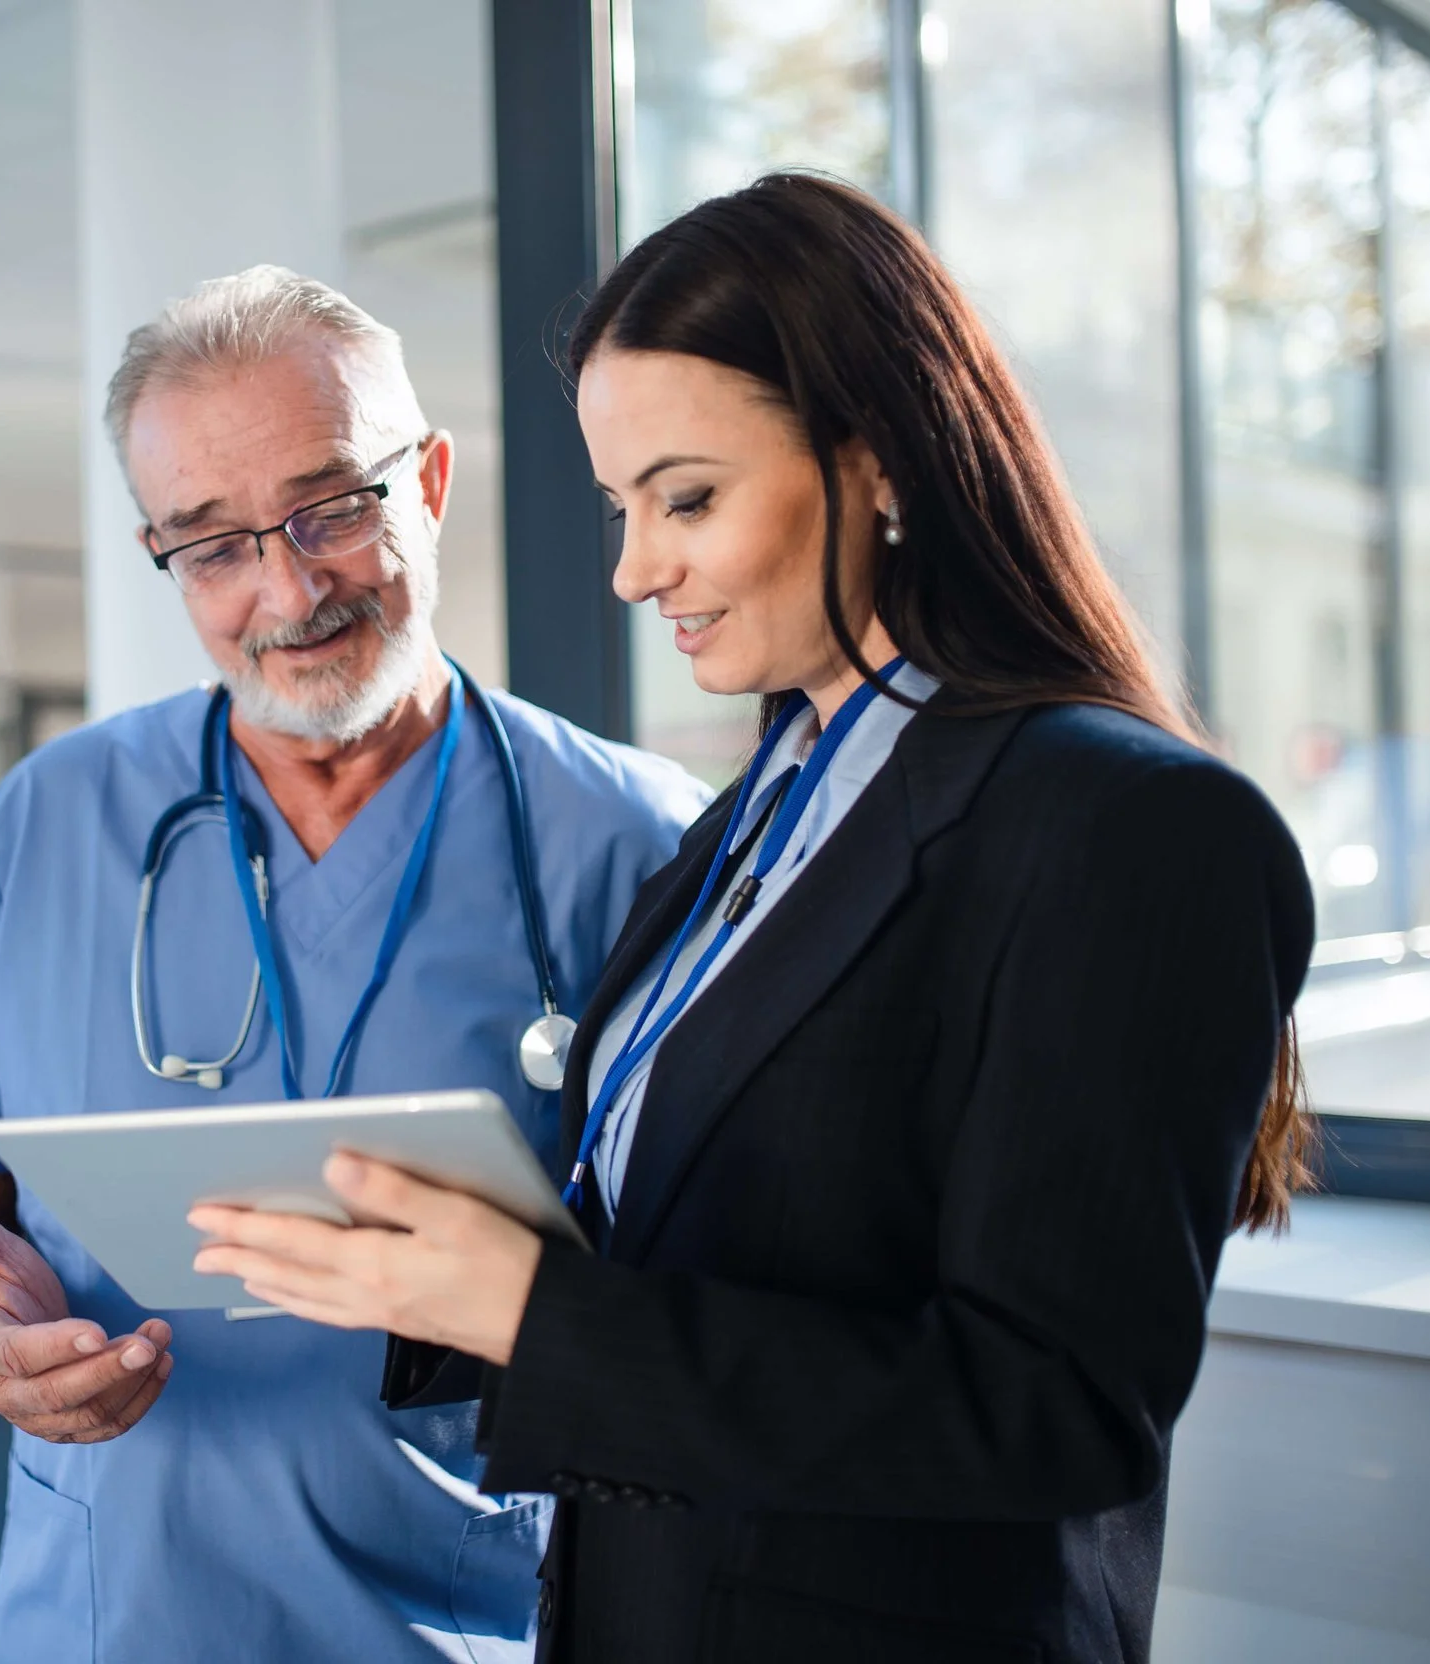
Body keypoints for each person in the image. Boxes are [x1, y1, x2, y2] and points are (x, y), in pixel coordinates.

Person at [189, 175, 1318, 1662]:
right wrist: (456, 1263)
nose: (634, 568)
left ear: (883, 464)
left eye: (689, 498)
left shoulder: (1124, 825)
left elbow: (1054, 1415)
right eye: (621, 507)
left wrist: (542, 1315)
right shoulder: (766, 806)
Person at [0, 266, 706, 1663]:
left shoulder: (632, 840)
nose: (286, 589)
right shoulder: (49, 823)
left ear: (427, 478)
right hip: (113, 1615)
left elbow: (720, 1281)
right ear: (162, 557)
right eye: (214, 545)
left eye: (333, 510)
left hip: (475, 1611)